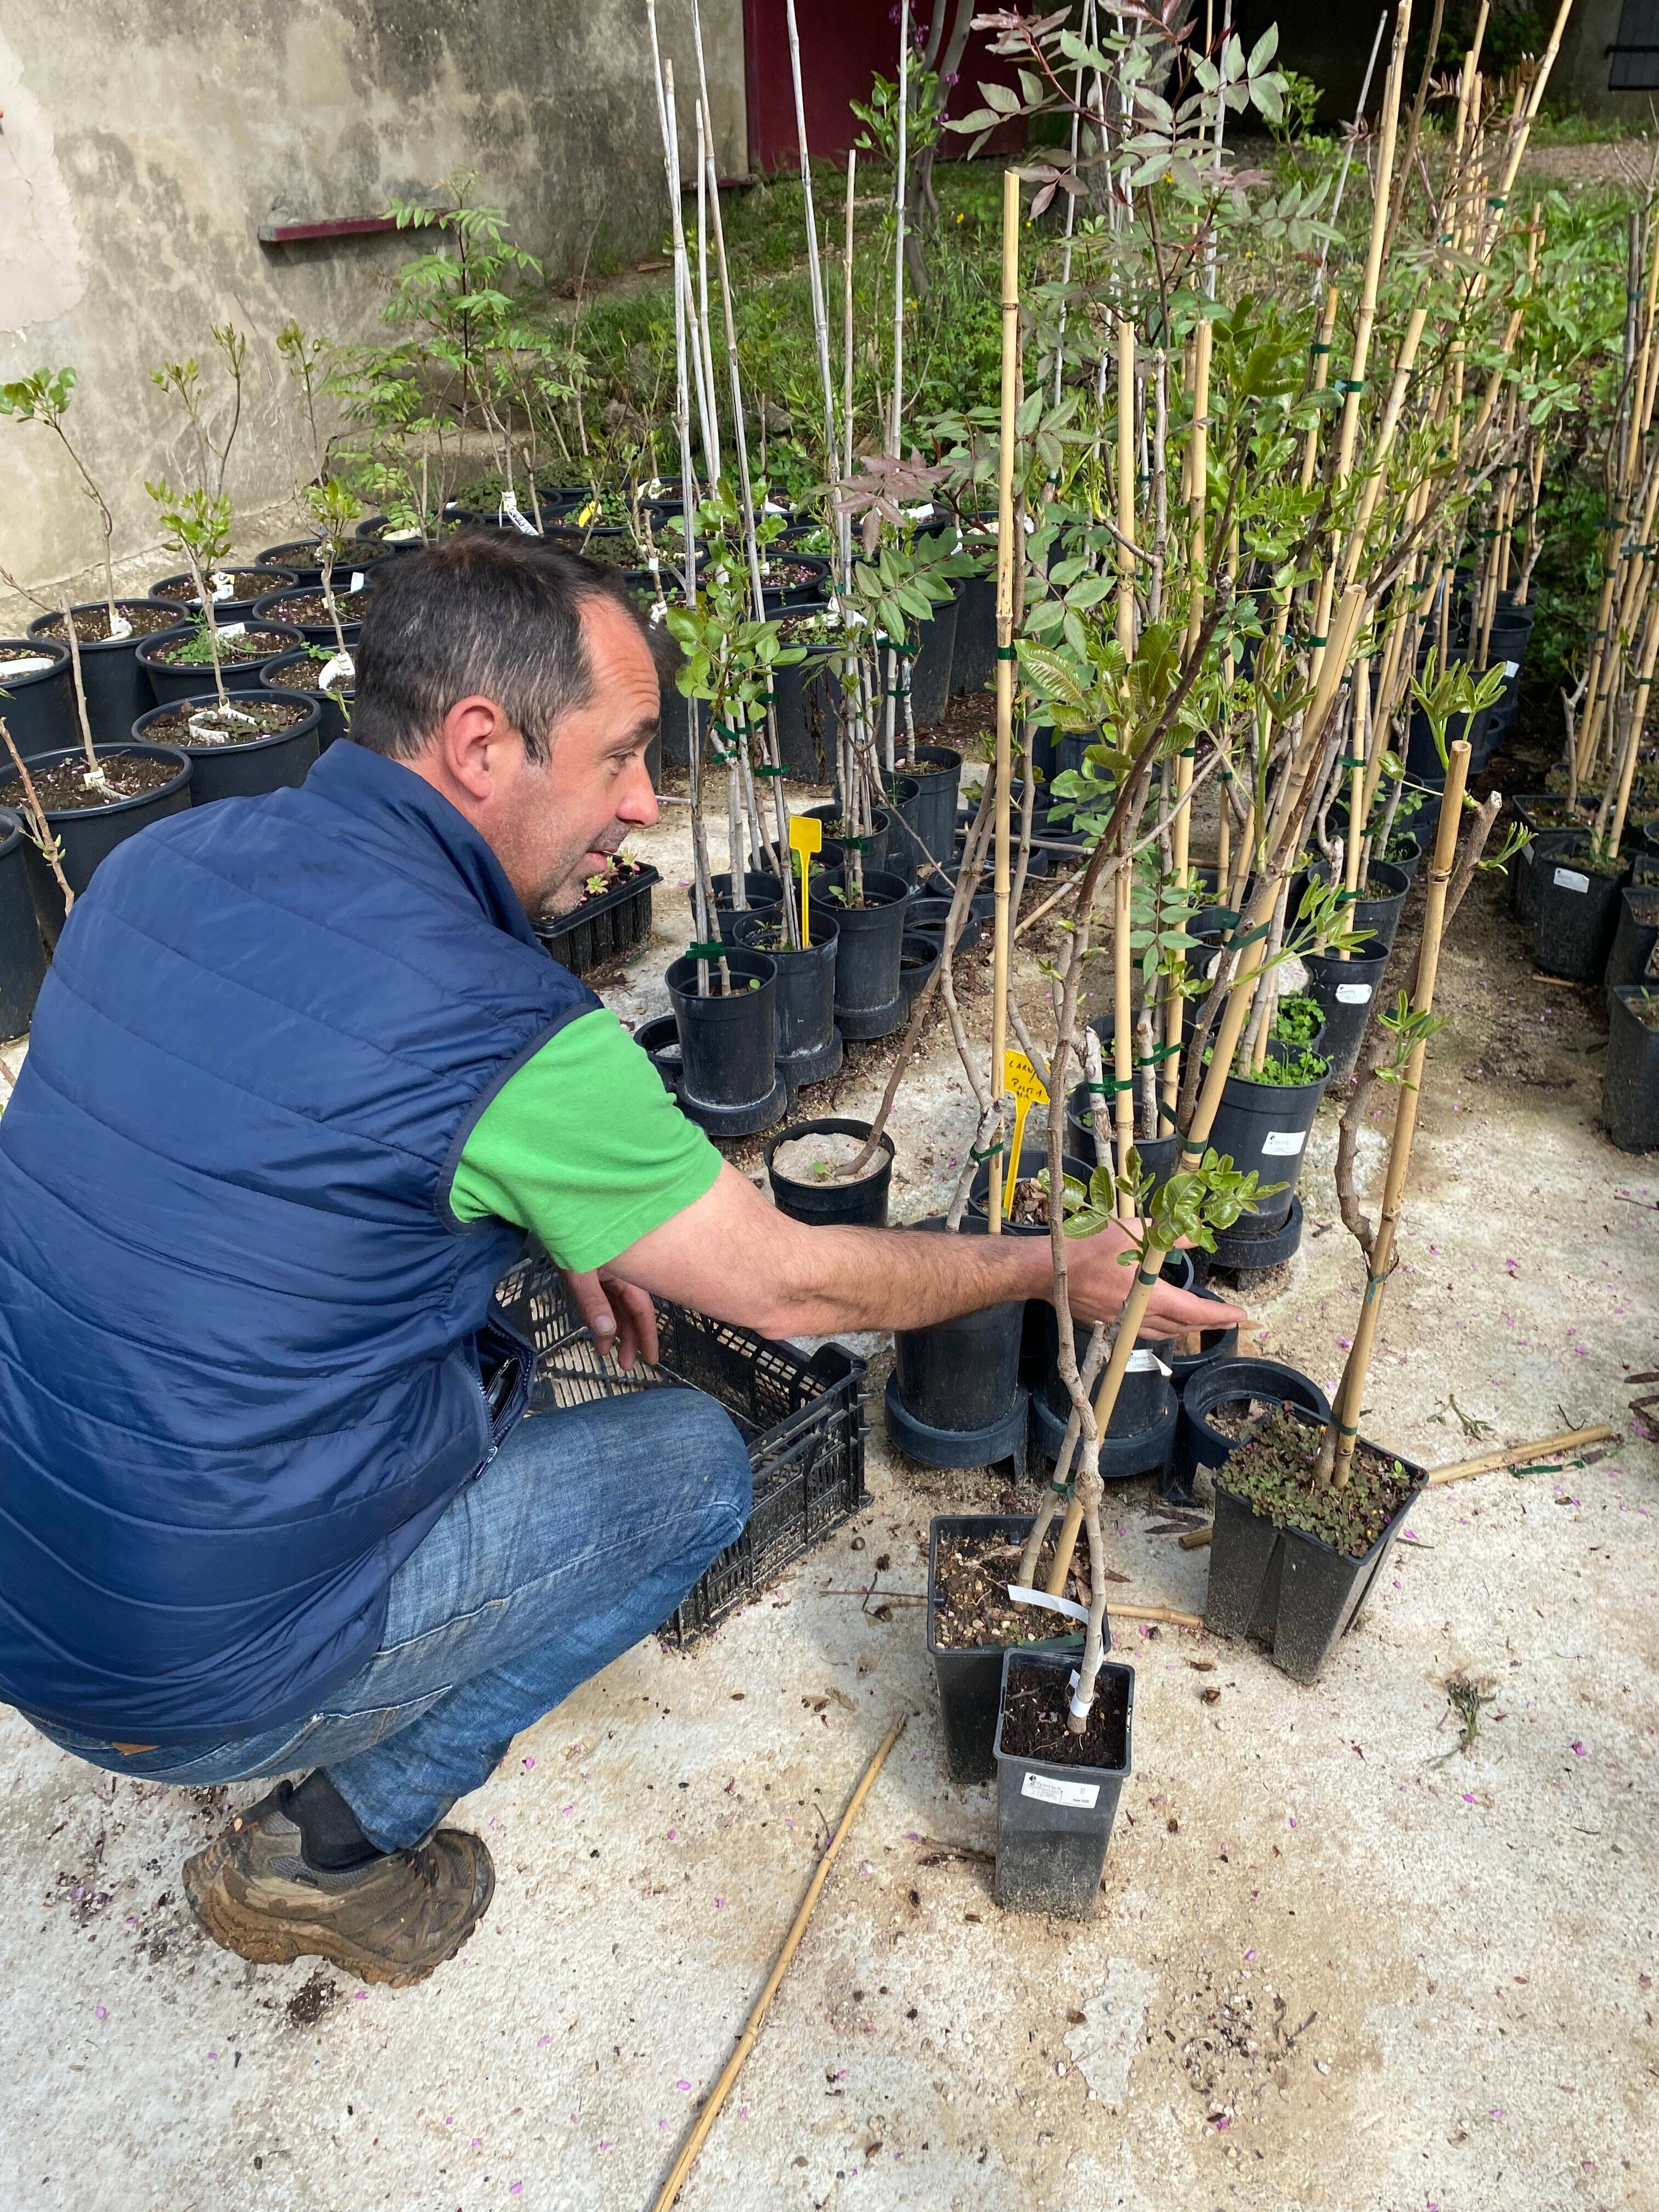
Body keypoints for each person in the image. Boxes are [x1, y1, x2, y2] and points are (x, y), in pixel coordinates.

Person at [0, 532, 1239, 1987]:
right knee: (689, 1470)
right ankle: (334, 1842)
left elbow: (276, 1141)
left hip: (41, 1584)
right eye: (621, 759)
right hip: (184, 1679)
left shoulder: (157, 867)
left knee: (492, 1354)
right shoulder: (495, 1020)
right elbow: (792, 1283)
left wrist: (555, 1212)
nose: (645, 808)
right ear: (478, 745)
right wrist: (1048, 1268)